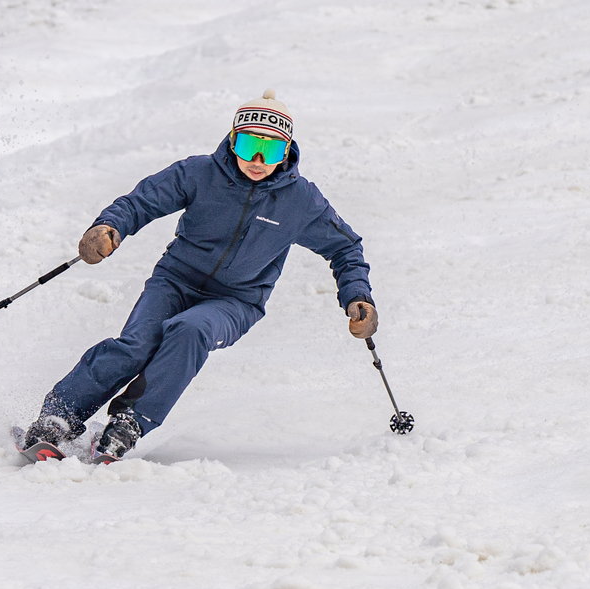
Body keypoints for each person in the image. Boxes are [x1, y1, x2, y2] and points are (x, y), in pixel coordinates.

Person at [21, 90, 378, 460]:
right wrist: (109, 227)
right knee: (135, 347)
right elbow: (142, 201)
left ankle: (130, 422)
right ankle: (59, 417)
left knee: (191, 331)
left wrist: (357, 297)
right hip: (174, 282)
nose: (256, 160)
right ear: (232, 140)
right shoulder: (200, 173)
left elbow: (345, 247)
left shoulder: (301, 201)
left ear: (286, 151)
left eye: (269, 151)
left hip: (236, 301)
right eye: (248, 145)